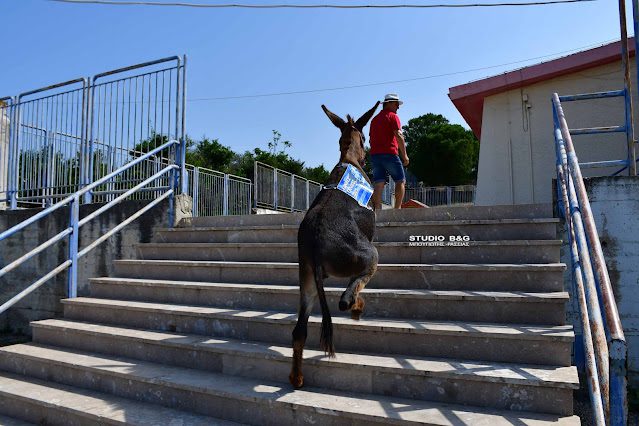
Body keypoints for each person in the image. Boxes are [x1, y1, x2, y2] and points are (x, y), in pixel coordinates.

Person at [369, 93, 409, 210]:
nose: (398, 107)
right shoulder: (393, 116)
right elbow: (399, 136)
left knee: (379, 182)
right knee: (400, 181)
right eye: (396, 104)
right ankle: (397, 210)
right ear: (389, 104)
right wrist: (405, 156)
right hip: (390, 153)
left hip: (375, 155)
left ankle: (377, 211)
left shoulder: (374, 120)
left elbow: (371, 138)